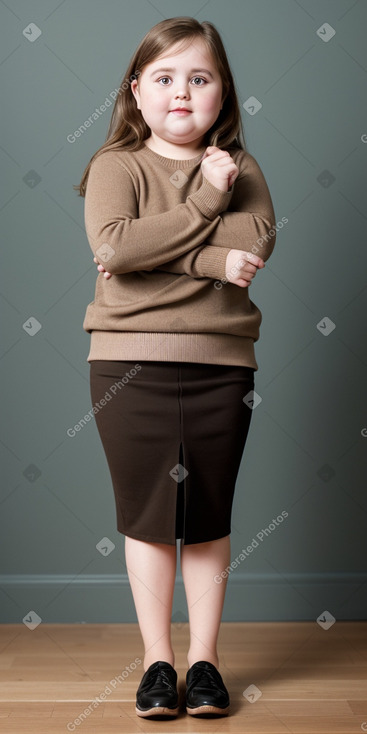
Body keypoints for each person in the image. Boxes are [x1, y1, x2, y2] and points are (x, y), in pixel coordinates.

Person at [74, 16, 276, 719]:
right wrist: (205, 233)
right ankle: (158, 662)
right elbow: (114, 247)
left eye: (199, 77)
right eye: (164, 78)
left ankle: (205, 663)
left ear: (222, 92)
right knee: (148, 519)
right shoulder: (114, 167)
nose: (181, 92)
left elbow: (248, 252)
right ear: (137, 92)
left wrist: (161, 247)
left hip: (222, 365)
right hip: (126, 365)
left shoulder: (242, 168)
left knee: (208, 514)